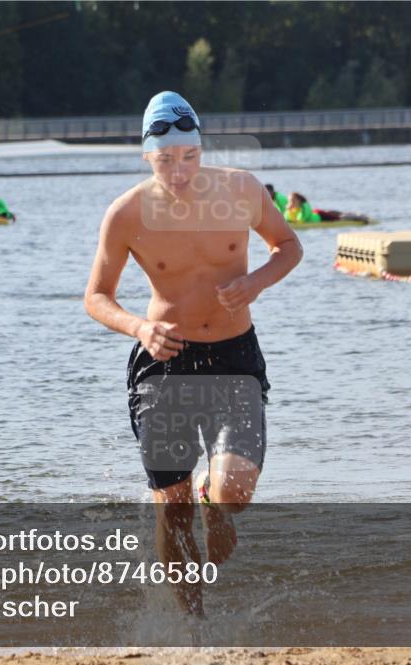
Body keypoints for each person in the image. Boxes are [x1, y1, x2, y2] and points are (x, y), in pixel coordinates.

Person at [84, 91, 302, 616]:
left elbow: (289, 246)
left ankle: (215, 503)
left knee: (235, 492)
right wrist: (140, 327)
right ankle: (194, 628)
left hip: (234, 356)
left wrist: (255, 283)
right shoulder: (127, 214)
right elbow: (95, 296)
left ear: (201, 149)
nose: (178, 171)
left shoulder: (241, 190)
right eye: (165, 160)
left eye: (188, 156)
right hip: (164, 363)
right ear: (146, 156)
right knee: (172, 508)